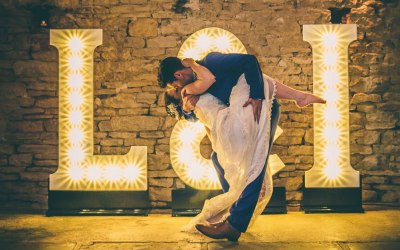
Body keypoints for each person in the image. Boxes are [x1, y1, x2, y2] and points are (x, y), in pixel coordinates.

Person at [159, 53, 325, 241]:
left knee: (256, 160)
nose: (179, 88)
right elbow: (205, 120)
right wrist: (192, 113)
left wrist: (256, 96)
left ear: (178, 75)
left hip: (260, 108)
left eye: (175, 86)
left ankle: (235, 223)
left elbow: (250, 61)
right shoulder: (196, 89)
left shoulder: (211, 62)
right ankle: (236, 200)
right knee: (218, 158)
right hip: (240, 114)